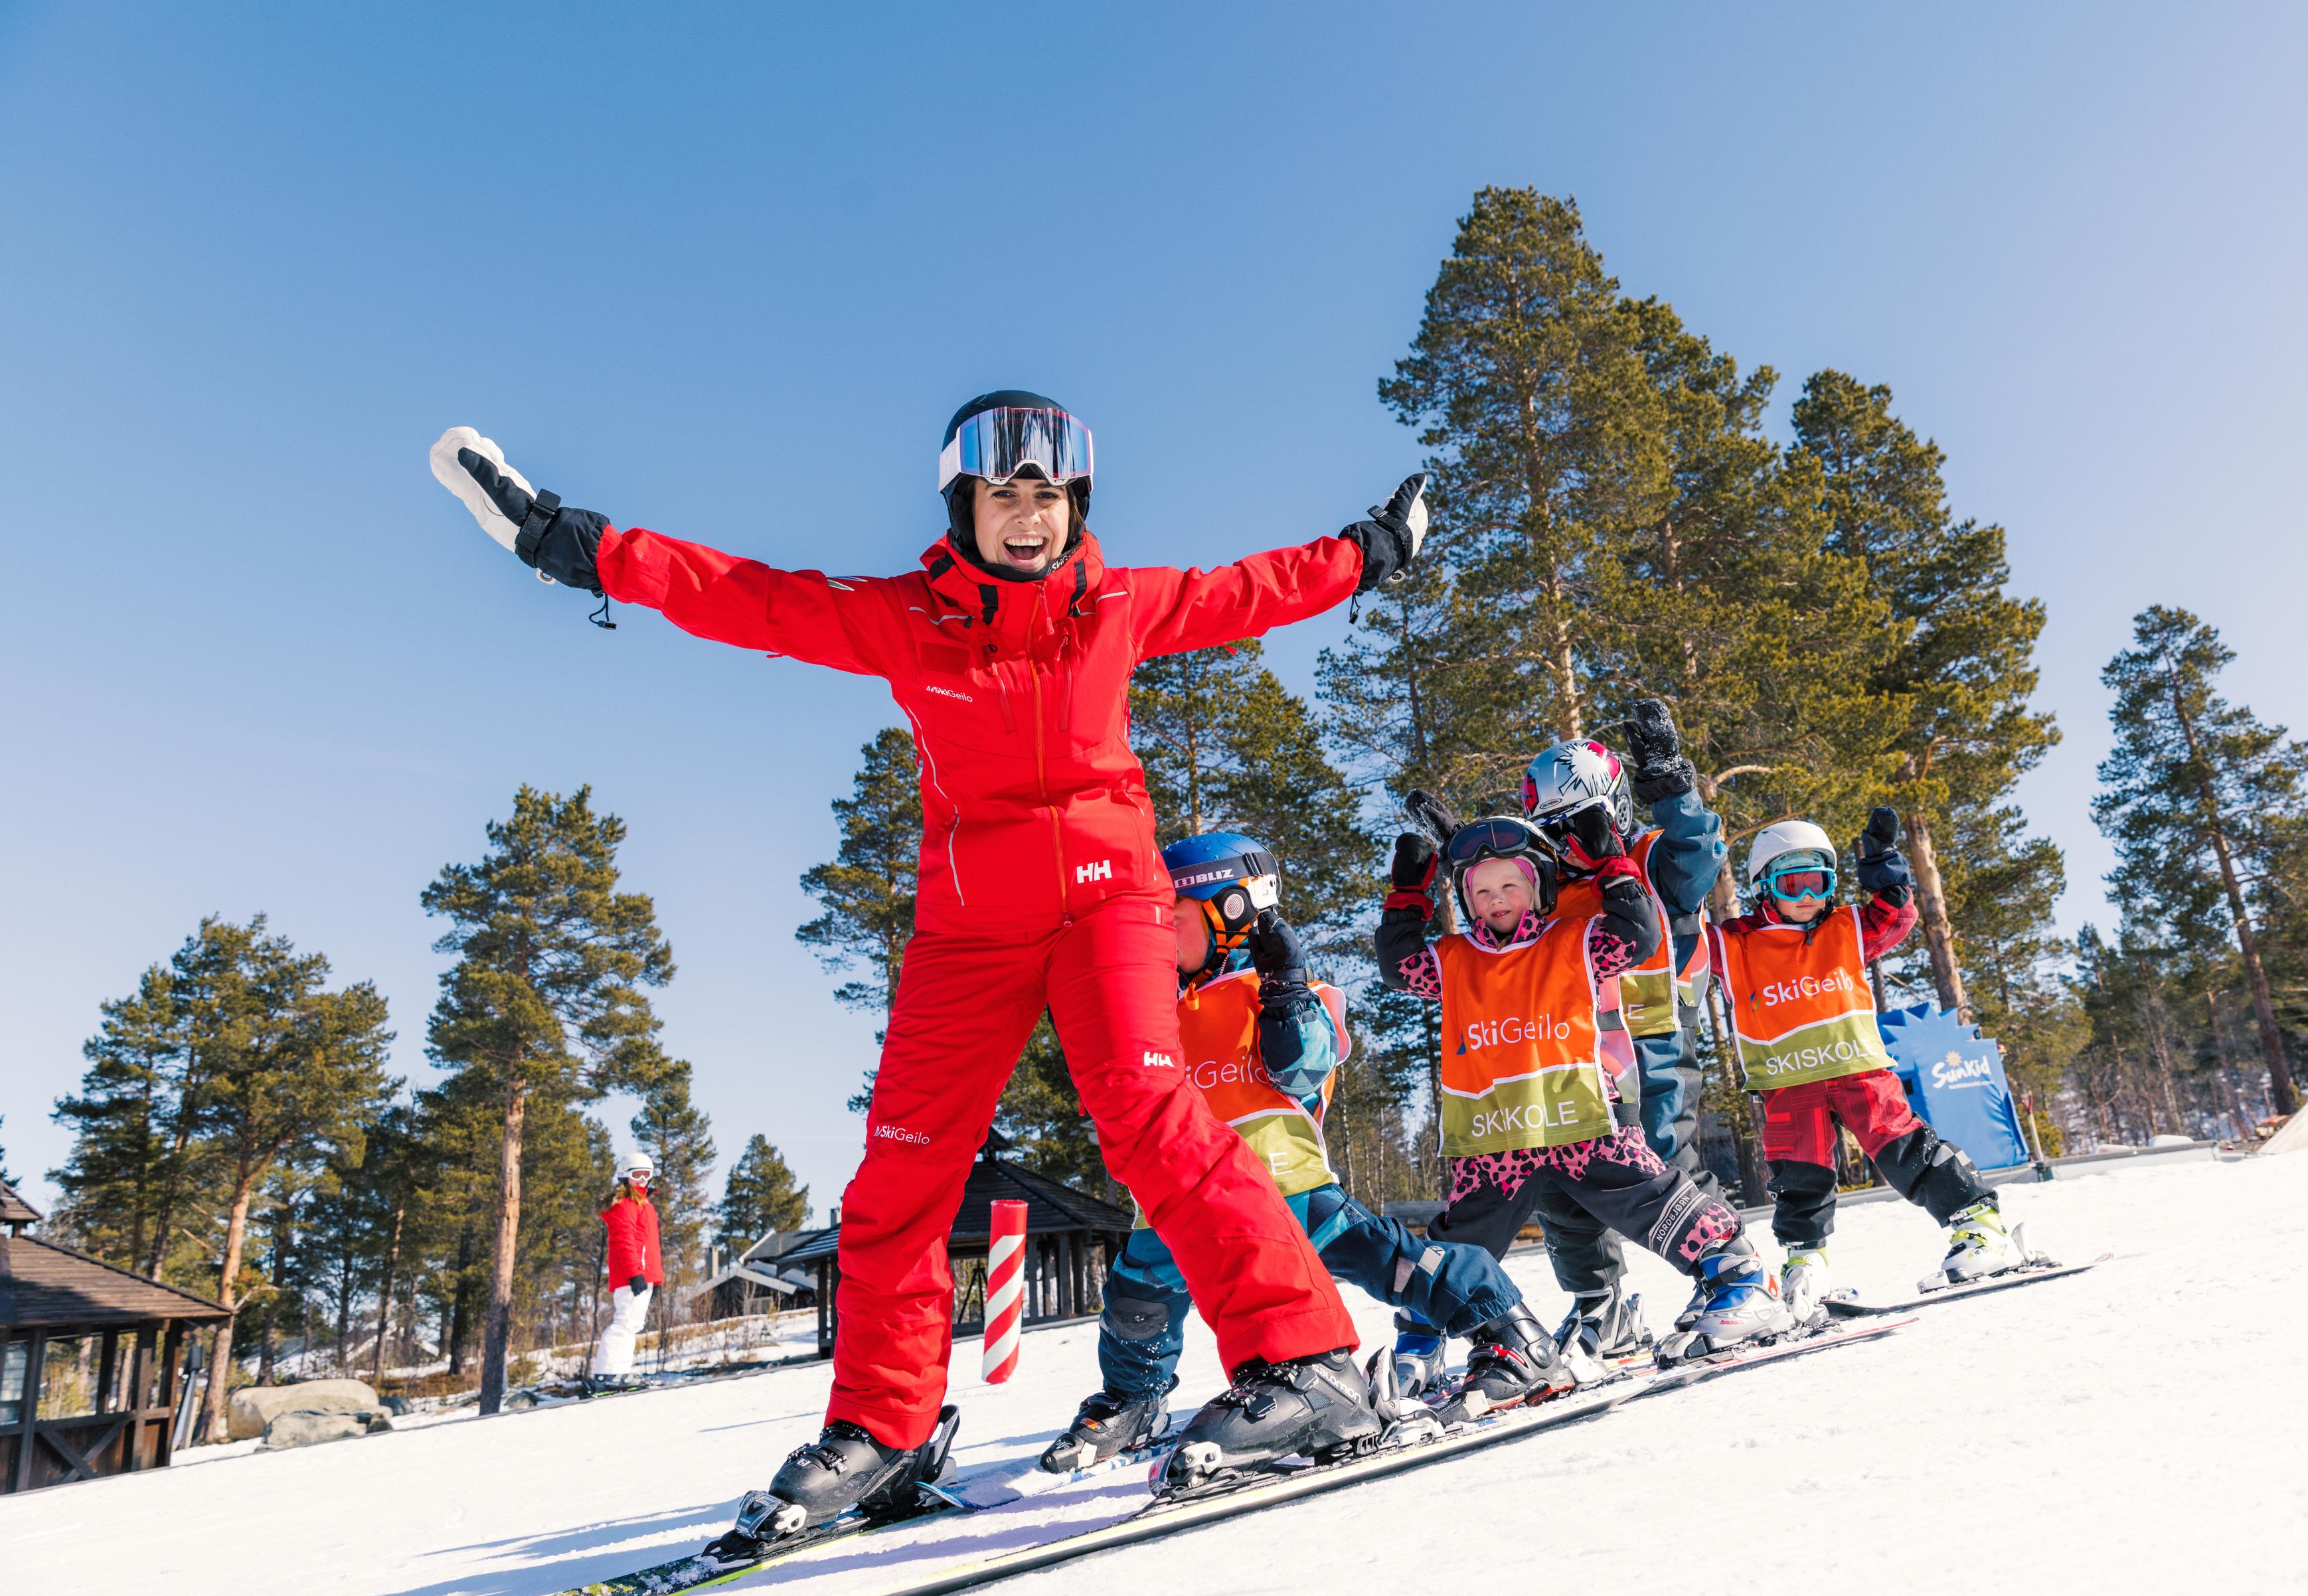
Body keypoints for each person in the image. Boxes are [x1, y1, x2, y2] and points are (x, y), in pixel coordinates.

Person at [430, 393, 1429, 1514]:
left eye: (1047, 496)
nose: (1027, 518)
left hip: (1109, 902)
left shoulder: (1120, 607)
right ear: (965, 504)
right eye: (1003, 495)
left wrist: (1372, 550)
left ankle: (1308, 1365)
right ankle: (882, 1430)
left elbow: (1256, 588)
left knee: (1151, 1119)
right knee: (902, 1171)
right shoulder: (909, 618)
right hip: (969, 929)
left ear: (1074, 505)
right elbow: (748, 597)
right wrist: (573, 544)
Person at [1041, 835, 1545, 1469]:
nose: (1153, 942)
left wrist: (1285, 990)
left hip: (1288, 1191)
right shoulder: (1155, 1010)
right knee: (1136, 1300)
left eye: (1169, 922)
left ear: (1230, 912)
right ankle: (1133, 1398)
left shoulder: (1284, 992)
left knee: (1394, 1263)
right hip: (1174, 1203)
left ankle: (1511, 1333)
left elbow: (1305, 1065)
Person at [1376, 807, 1786, 1360]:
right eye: (1481, 891)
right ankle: (1418, 1346)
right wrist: (1408, 893)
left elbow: (1637, 933)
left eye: (1510, 884)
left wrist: (1611, 863)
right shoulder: (1452, 960)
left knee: (1651, 1197)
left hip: (1585, 1118)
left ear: (1539, 885)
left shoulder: (1577, 938)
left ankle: (1739, 1277)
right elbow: (1398, 964)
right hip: (1498, 1139)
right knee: (1459, 1242)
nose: (1496, 899)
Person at [1698, 807, 2024, 1318]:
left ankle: (1980, 1227)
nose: (1808, 898)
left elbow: (1896, 915)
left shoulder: (1845, 925)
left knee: (1905, 1151)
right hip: (1787, 1085)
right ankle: (1806, 1263)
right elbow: (1683, 941)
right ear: (1764, 886)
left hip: (1859, 1073)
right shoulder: (1735, 942)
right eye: (1792, 885)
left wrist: (1884, 867)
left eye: (1819, 883)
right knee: (1799, 1177)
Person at [1508, 700, 1730, 1362]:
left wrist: (1673, 786)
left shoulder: (1652, 859)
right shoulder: (1546, 893)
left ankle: (1731, 1273)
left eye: (1581, 824)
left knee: (1664, 1159)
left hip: (1654, 1036)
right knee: (1561, 1182)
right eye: (1553, 831)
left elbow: (1697, 853)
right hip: (1576, 1058)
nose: (1569, 843)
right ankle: (1602, 1310)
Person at [595, 1156, 664, 1386]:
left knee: (632, 1323)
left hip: (643, 1273)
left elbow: (647, 1244)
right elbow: (624, 1241)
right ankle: (608, 1373)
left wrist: (653, 1278)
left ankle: (620, 1372)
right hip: (633, 1273)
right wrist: (635, 1274)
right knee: (626, 1322)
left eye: (646, 1174)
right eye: (637, 1175)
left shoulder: (643, 1203)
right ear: (625, 1176)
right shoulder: (625, 1205)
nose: (642, 1180)